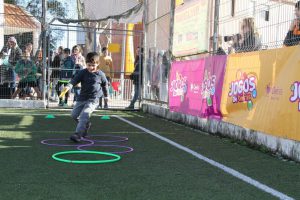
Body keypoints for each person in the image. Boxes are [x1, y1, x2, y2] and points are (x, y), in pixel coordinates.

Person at [59, 52, 108, 142]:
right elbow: (74, 80)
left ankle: (78, 134)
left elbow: (105, 85)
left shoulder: (101, 74)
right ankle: (86, 124)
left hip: (93, 99)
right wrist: (68, 86)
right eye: (89, 65)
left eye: (93, 65)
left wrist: (106, 97)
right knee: (74, 115)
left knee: (84, 115)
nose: (91, 67)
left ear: (97, 64)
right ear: (86, 63)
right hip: (82, 98)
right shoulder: (83, 72)